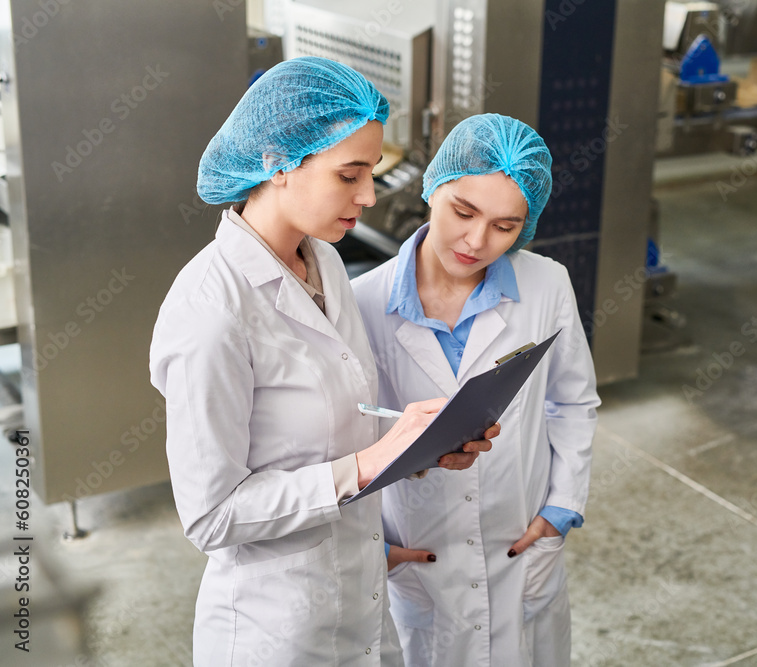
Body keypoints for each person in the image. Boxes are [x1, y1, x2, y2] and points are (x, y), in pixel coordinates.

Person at [148, 58, 495, 667]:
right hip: (273, 632)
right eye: (349, 175)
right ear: (277, 163)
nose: (369, 196)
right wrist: (366, 467)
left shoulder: (324, 262)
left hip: (357, 603)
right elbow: (211, 516)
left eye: (373, 172)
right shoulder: (211, 310)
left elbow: (334, 424)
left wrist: (414, 445)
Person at [351, 113, 600, 666]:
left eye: (505, 226)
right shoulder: (360, 303)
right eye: (463, 212)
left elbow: (573, 400)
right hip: (419, 551)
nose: (476, 240)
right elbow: (345, 439)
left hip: (521, 543)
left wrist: (561, 508)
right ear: (432, 189)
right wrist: (373, 548)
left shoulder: (546, 283)